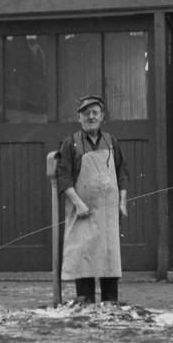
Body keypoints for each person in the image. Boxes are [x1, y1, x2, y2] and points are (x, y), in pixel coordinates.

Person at [54, 95, 128, 304]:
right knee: (84, 252)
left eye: (95, 112)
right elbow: (64, 177)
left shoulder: (111, 141)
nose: (91, 116)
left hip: (108, 209)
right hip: (82, 208)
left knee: (108, 253)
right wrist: (78, 203)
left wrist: (122, 201)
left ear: (102, 116)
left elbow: (122, 172)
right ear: (79, 117)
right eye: (86, 113)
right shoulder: (71, 143)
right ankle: (85, 301)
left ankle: (110, 302)